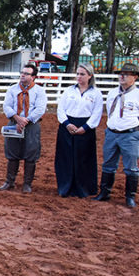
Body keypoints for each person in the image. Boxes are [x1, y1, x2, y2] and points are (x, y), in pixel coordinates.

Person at [94, 62, 139, 208]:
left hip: (130, 134)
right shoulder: (113, 93)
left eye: (126, 74)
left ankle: (130, 196)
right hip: (112, 133)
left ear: (135, 77)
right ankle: (104, 192)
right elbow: (110, 110)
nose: (122, 76)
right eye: (121, 74)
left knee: (131, 167)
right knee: (108, 164)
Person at [55, 63, 104, 198]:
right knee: (66, 157)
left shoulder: (96, 94)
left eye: (82, 74)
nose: (79, 77)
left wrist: (85, 127)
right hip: (67, 126)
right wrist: (67, 124)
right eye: (77, 74)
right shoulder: (69, 91)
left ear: (90, 76)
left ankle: (83, 188)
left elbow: (97, 113)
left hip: (85, 128)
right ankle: (65, 187)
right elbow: (61, 109)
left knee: (83, 159)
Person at [0, 63, 47, 193]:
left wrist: (26, 120)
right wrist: (17, 118)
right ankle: (10, 181)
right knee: (12, 152)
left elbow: (40, 108)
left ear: (34, 77)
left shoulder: (39, 91)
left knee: (31, 153)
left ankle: (27, 184)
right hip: (14, 122)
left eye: (26, 74)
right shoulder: (13, 89)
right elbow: (7, 106)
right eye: (22, 73)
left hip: (31, 125)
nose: (23, 75)